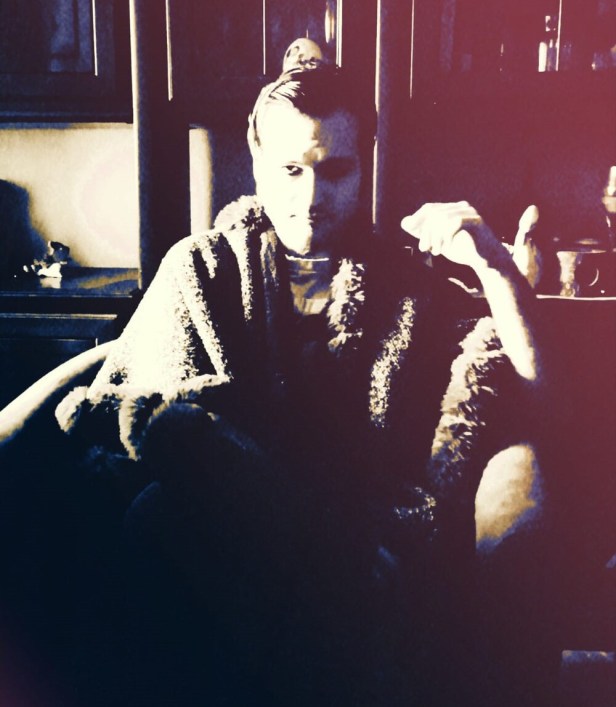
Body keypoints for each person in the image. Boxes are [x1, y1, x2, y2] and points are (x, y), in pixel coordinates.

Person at [55, 43, 545, 706]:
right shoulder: (200, 268)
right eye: (289, 170)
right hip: (229, 543)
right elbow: (139, 417)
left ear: (364, 164)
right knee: (157, 511)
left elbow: (534, 399)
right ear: (256, 160)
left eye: (334, 170)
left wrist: (496, 269)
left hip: (362, 548)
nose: (310, 197)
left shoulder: (406, 282)